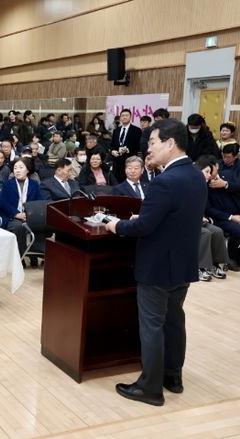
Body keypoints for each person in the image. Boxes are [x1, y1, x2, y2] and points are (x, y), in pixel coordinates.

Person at [105, 119, 207, 406]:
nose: (148, 149)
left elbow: (144, 227)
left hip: (158, 265)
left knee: (152, 325)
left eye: (152, 142)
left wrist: (116, 225)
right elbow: (178, 216)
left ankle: (149, 387)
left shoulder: (164, 181)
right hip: (182, 264)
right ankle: (173, 377)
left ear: (170, 143)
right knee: (174, 321)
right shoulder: (196, 175)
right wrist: (148, 217)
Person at [0, 157, 43, 257]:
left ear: (27, 170)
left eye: (21, 167)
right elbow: (3, 203)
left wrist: (30, 214)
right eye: (15, 168)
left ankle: (36, 254)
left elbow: (39, 202)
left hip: (30, 216)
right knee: (19, 227)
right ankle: (19, 257)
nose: (17, 170)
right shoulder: (7, 184)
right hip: (12, 217)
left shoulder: (34, 184)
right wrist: (16, 214)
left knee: (41, 225)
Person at [110, 109, 142, 182]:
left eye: (127, 115)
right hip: (117, 162)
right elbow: (112, 145)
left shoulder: (136, 130)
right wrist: (113, 151)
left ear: (130, 117)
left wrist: (127, 150)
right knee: (116, 182)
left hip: (130, 161)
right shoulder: (116, 130)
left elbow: (138, 146)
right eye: (122, 116)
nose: (124, 117)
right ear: (120, 118)